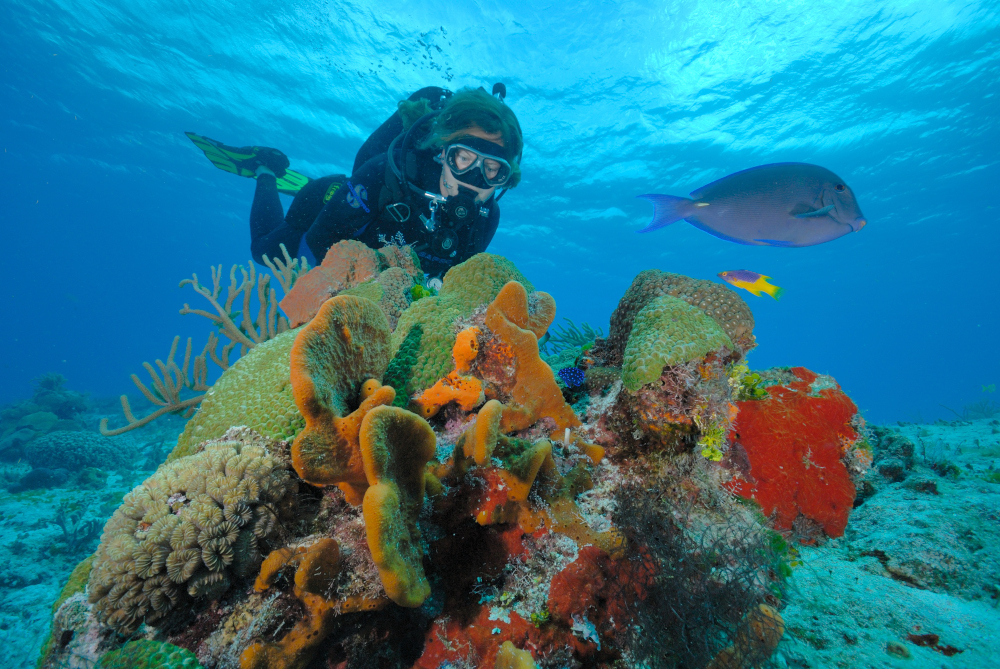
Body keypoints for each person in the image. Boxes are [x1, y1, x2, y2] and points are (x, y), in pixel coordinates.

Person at [187, 85, 523, 279]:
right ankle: (265, 169)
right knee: (264, 253)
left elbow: (456, 278)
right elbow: (313, 249)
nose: (474, 181)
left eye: (493, 170)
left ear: (505, 179)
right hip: (331, 203)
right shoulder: (386, 174)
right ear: (441, 152)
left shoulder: (486, 217)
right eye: (463, 159)